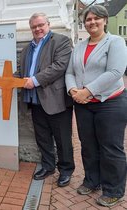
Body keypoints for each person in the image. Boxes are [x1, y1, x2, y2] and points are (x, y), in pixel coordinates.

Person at [65, 5, 127, 207]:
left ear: (105, 20)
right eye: (88, 19)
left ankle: (114, 189)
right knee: (88, 146)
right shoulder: (80, 46)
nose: (91, 22)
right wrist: (73, 91)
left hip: (110, 103)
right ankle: (92, 181)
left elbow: (115, 72)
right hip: (83, 105)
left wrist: (87, 91)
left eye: (96, 18)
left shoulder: (116, 42)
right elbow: (70, 73)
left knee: (110, 148)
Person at [16, 12, 75, 187]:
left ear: (48, 24)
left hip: (56, 101)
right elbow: (21, 73)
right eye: (34, 26)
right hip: (35, 102)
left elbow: (59, 66)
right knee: (42, 138)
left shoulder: (61, 41)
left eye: (41, 25)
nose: (38, 29)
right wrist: (5, 82)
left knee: (63, 139)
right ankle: (48, 166)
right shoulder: (27, 48)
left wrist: (34, 80)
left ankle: (66, 170)